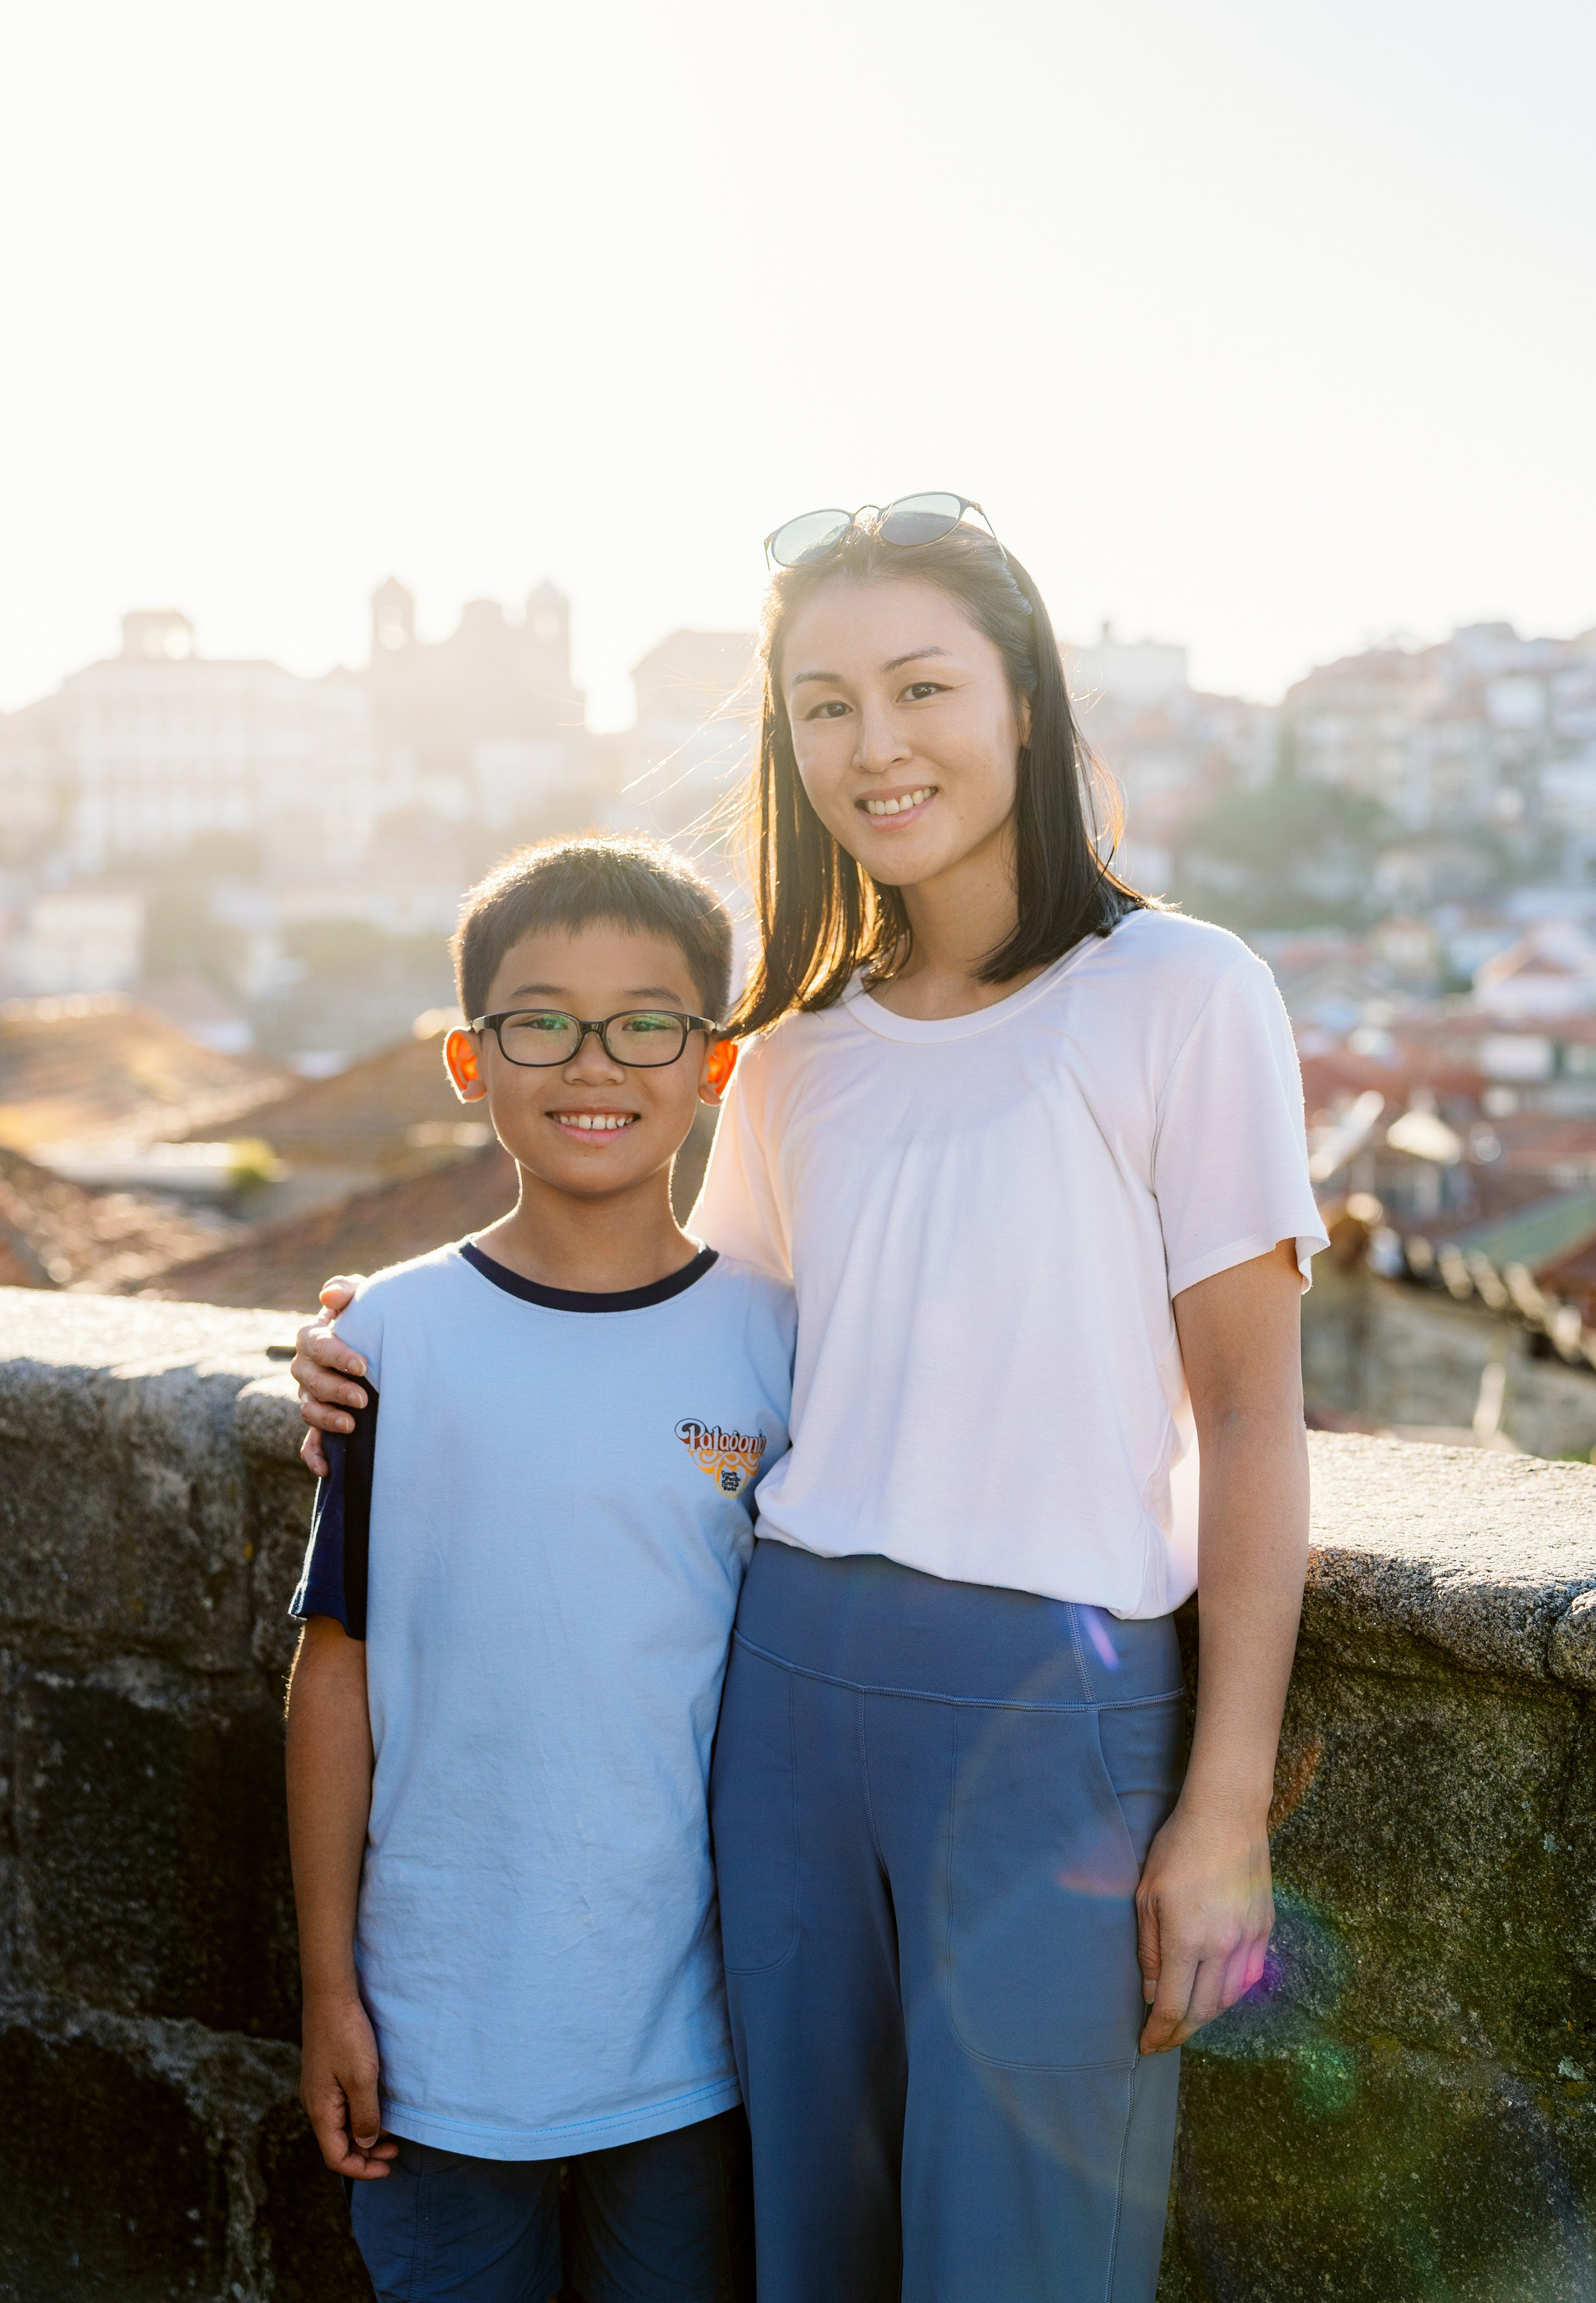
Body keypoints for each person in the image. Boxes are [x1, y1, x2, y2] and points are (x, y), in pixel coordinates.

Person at [297, 497, 1327, 2303]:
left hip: (1052, 1704)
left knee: (1028, 2256)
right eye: (824, 703)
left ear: (1025, 702)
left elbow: (1251, 1417)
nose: (877, 743)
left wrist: (1222, 1805)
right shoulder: (795, 1047)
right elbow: (683, 1337)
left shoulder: (1183, 993)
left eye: (922, 686)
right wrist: (377, 1335)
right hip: (778, 1706)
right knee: (809, 2254)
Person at [285, 836, 791, 2303]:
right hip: (438, 2034)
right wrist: (330, 1989)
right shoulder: (389, 1335)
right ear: (468, 1059)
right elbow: (335, 1674)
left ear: (713, 1065)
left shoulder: (771, 1342)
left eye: (649, 1021)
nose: (595, 1062)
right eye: (540, 1021)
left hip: (689, 2044)